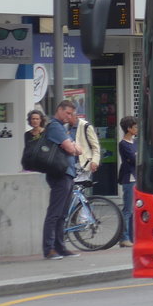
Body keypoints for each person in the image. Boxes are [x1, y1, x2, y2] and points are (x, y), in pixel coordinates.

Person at [41, 99, 82, 260]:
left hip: (68, 173)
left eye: (72, 114)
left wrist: (73, 147)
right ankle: (49, 248)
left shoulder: (61, 128)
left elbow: (78, 149)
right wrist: (73, 147)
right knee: (55, 213)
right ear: (60, 110)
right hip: (60, 174)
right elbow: (73, 148)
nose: (70, 117)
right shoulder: (55, 127)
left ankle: (60, 247)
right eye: (68, 113)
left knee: (62, 214)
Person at [117, 116, 138, 247]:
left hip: (136, 177)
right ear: (128, 129)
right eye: (135, 127)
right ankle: (124, 237)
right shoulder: (123, 144)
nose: (137, 129)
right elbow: (134, 159)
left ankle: (131, 237)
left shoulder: (136, 142)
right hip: (129, 178)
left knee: (133, 210)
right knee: (128, 210)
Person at [73, 111, 100, 181]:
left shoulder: (86, 126)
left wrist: (95, 161)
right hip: (70, 165)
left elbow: (95, 146)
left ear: (76, 116)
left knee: (80, 187)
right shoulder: (65, 127)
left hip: (83, 164)